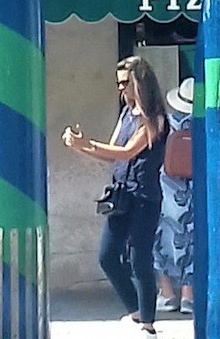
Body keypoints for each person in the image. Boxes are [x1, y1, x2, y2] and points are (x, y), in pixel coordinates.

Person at [62, 56, 168, 335]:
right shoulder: (126, 114)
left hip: (144, 196)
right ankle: (136, 311)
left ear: (139, 83)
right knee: (107, 257)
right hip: (121, 193)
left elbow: (127, 152)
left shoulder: (155, 118)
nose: (121, 89)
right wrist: (80, 147)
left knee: (139, 259)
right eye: (119, 83)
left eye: (125, 83)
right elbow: (112, 153)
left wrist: (87, 143)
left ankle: (148, 321)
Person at [153, 77, 194, 317]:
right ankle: (189, 296)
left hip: (168, 188)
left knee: (161, 239)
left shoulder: (166, 122)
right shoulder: (205, 123)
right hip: (196, 187)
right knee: (193, 239)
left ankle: (167, 293)